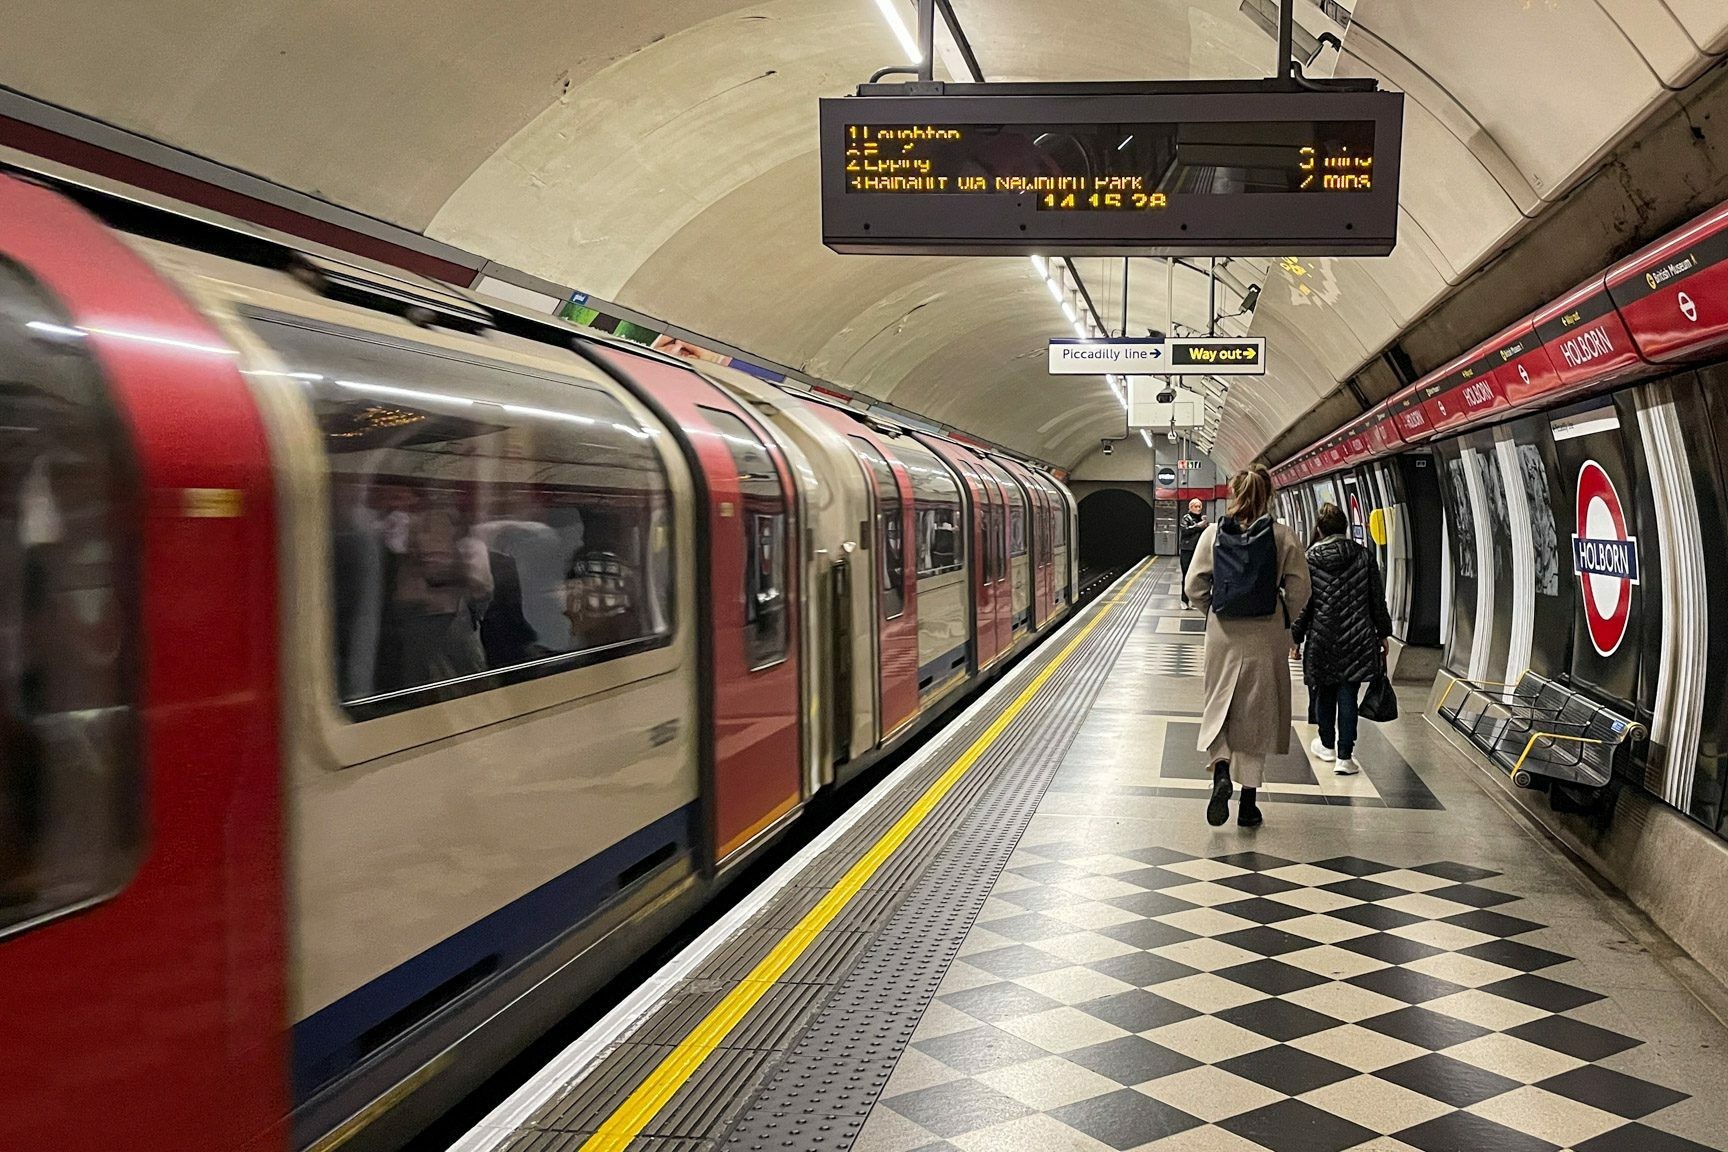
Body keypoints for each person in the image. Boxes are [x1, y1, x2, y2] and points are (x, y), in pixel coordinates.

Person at [1185, 466, 1310, 828]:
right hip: (1265, 633)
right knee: (1256, 713)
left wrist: (1215, 608)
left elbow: (1194, 585)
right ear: (1269, 494)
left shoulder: (1212, 534)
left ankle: (1220, 771)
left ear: (1233, 493)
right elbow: (1301, 589)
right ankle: (1249, 805)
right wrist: (1281, 614)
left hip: (1223, 632)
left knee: (1220, 703)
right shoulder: (1283, 536)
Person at [1291, 503, 1393, 776]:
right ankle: (1345, 757)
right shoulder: (1364, 556)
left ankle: (1326, 745)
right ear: (1345, 528)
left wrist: (1295, 637)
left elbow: (1305, 603)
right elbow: (1376, 599)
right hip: (1358, 637)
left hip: (1322, 636)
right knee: (1348, 692)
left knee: (1324, 690)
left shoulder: (1310, 558)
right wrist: (1383, 633)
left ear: (1320, 529)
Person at [1178, 498, 1207, 608]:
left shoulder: (1202, 520)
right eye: (1196, 506)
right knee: (1186, 575)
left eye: (1200, 506)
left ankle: (1193, 599)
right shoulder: (1186, 518)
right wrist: (1198, 526)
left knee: (1196, 576)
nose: (1198, 509)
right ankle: (1184, 600)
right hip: (1187, 549)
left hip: (1198, 550)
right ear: (1190, 507)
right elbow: (1185, 530)